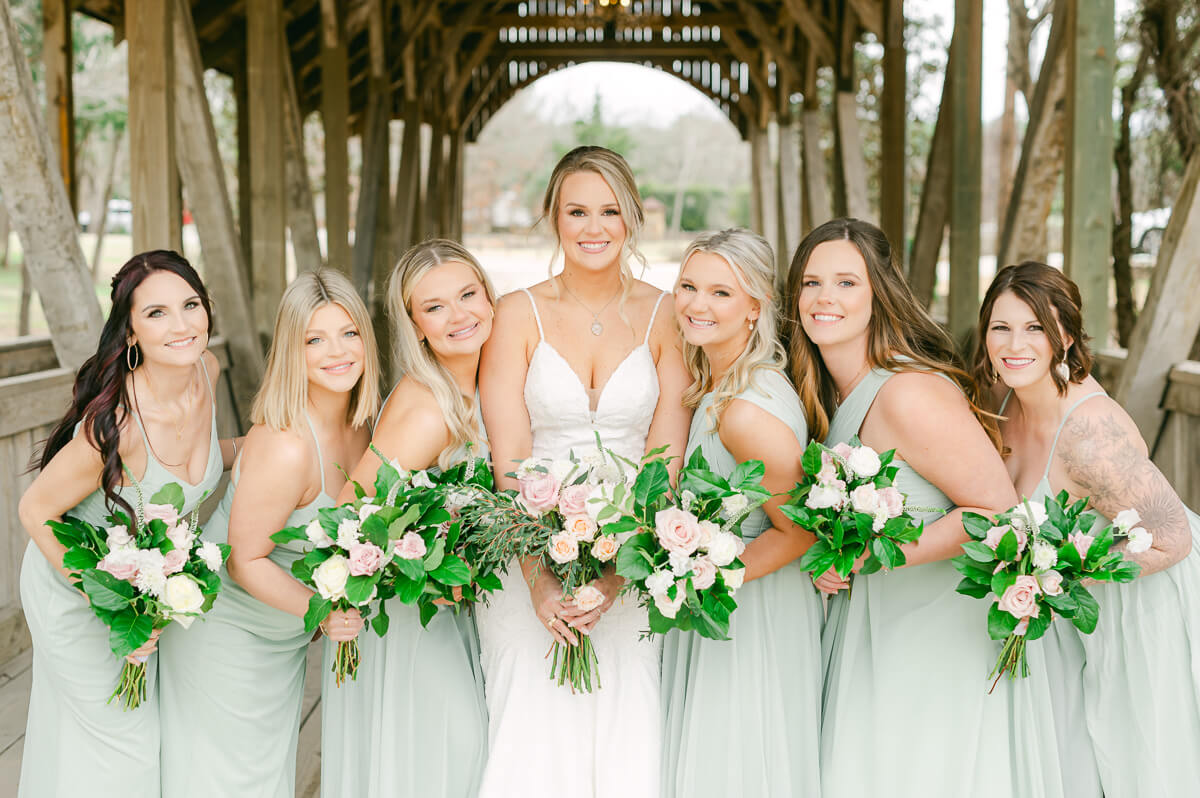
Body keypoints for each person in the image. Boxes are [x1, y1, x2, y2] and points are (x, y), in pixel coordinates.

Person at [781, 218, 1064, 798]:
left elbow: (997, 512)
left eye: (846, 283)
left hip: (932, 630)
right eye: (811, 283)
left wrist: (867, 558)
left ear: (878, 293)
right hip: (873, 624)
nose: (824, 298)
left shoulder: (909, 392)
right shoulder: (821, 393)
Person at [476, 145, 691, 797]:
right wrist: (543, 582)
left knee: (630, 726)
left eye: (610, 210)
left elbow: (665, 464)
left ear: (632, 218)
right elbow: (508, 461)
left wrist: (613, 572)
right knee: (529, 730)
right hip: (525, 549)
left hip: (633, 557)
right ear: (553, 217)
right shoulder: (516, 313)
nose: (594, 227)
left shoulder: (667, 315)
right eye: (577, 210)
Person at [974, 260, 1200, 798]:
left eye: (1035, 328)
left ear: (1066, 338)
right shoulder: (1007, 399)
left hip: (1143, 604)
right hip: (1078, 610)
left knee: (1133, 762)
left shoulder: (1090, 435)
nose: (1014, 344)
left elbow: (1172, 536)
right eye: (1000, 327)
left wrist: (1060, 580)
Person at [17, 251, 231, 797]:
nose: (182, 325)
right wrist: (110, 605)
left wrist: (267, 448)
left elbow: (202, 461)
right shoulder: (115, 426)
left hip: (143, 592)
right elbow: (35, 511)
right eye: (157, 313)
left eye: (190, 305)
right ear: (130, 332)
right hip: (75, 587)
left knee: (131, 740)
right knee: (122, 748)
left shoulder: (205, 371)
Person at [157, 269, 378, 797]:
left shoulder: (364, 428)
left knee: (264, 778)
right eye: (314, 339)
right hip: (226, 635)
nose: (337, 351)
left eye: (349, 333)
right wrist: (324, 612)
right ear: (291, 351)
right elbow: (245, 560)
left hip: (282, 641)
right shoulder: (287, 444)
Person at [321, 240, 493, 797]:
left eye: (468, 295)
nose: (459, 314)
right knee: (447, 749)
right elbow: (353, 511)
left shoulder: (485, 386)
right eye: (435, 307)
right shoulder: (428, 408)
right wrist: (427, 569)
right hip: (416, 615)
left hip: (461, 609)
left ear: (491, 299)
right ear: (416, 325)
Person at [660, 228, 822, 797]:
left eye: (721, 293)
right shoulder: (721, 383)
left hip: (750, 613)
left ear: (756, 306)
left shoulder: (745, 410)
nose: (698, 305)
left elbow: (798, 531)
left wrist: (703, 577)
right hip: (729, 598)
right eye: (688, 286)